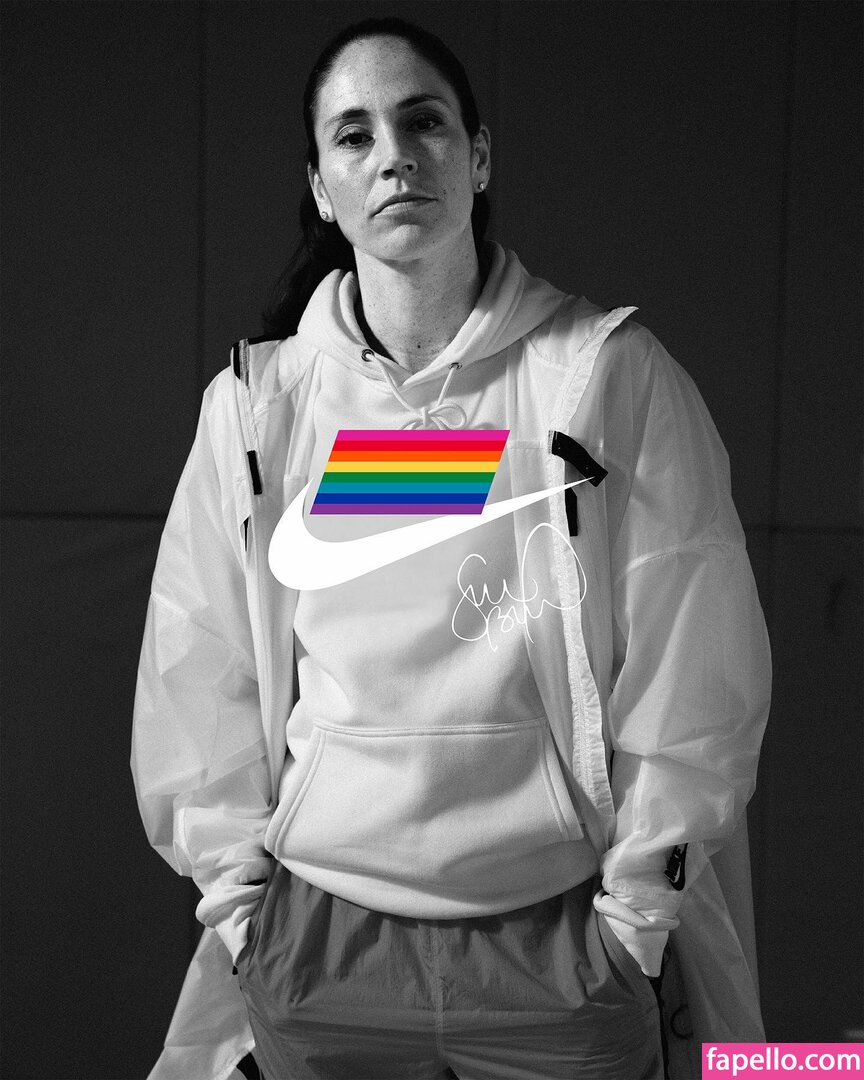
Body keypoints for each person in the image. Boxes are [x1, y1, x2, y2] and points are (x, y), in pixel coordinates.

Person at [131, 16, 771, 1080]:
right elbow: (195, 676)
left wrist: (634, 924)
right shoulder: (257, 407)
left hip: (562, 949)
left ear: (478, 157)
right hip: (318, 947)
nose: (394, 155)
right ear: (323, 188)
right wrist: (246, 918)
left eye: (423, 121)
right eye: (354, 135)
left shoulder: (607, 377)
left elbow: (695, 673)